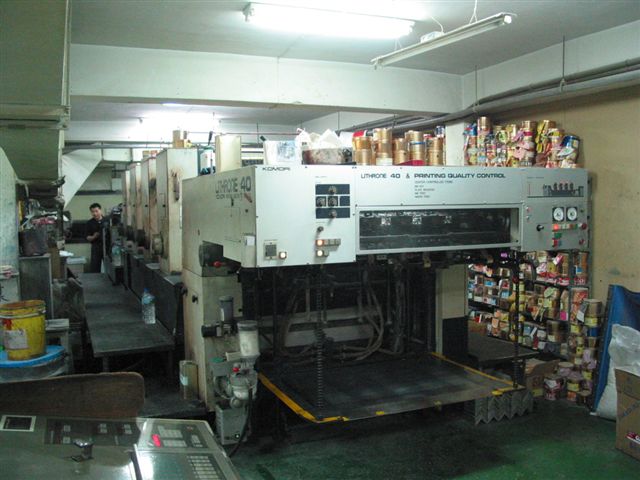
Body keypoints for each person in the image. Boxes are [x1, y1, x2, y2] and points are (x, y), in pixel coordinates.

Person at [86, 203, 106, 273]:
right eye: (92, 212)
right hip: (96, 247)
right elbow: (87, 237)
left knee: (109, 266)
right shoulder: (89, 223)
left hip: (107, 247)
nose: (95, 213)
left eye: (96, 211)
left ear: (100, 210)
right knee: (95, 267)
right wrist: (94, 236)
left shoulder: (107, 221)